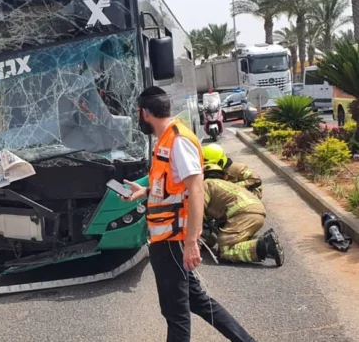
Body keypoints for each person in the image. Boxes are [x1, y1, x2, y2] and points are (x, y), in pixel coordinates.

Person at [122, 86, 253, 342]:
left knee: (175, 313)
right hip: (167, 237)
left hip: (173, 238)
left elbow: (195, 188)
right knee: (198, 302)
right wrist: (146, 191)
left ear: (145, 112)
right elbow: (174, 186)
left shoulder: (178, 140)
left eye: (139, 114)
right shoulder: (166, 138)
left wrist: (192, 241)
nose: (139, 118)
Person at [202, 164, 284, 266]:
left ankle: (265, 246)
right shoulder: (227, 185)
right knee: (233, 238)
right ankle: (262, 241)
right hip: (257, 212)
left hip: (244, 213)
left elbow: (200, 211)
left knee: (225, 250)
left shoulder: (205, 185)